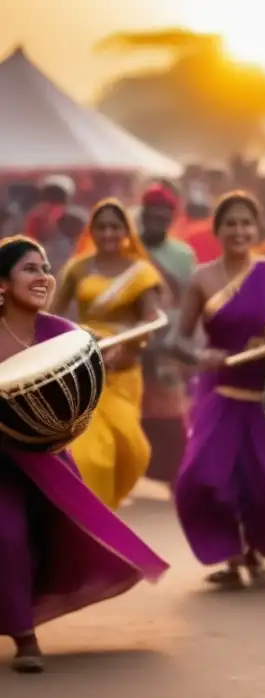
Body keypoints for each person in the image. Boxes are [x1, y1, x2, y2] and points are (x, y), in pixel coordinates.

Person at [0, 236, 168, 672]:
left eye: (45, 267)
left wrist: (103, 353)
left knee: (53, 538)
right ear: (2, 283)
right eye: (29, 269)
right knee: (7, 536)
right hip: (0, 461)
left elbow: (87, 374)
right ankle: (25, 638)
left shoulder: (63, 334)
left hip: (46, 460)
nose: (42, 277)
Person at [172, 192, 265, 589]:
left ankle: (255, 553)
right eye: (231, 224)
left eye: (246, 224)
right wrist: (201, 355)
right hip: (220, 395)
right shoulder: (202, 279)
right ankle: (232, 554)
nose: (239, 231)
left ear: (256, 230)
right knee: (205, 479)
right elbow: (179, 340)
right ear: (218, 230)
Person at [50, 199, 165, 509]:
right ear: (92, 230)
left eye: (116, 226)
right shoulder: (77, 268)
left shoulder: (141, 273)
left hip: (123, 373)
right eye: (101, 227)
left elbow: (152, 318)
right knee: (90, 456)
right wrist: (78, 336)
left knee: (134, 452)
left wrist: (127, 344)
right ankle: (90, 520)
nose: (109, 233)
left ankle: (105, 510)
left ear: (127, 231)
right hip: (84, 367)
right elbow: (50, 317)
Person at [137, 184, 197, 485]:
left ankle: (177, 479)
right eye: (152, 213)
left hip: (168, 344)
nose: (157, 219)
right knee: (133, 411)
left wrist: (185, 343)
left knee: (170, 414)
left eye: (164, 215)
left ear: (171, 218)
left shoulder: (183, 255)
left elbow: (191, 301)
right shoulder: (128, 248)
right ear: (143, 214)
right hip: (131, 341)